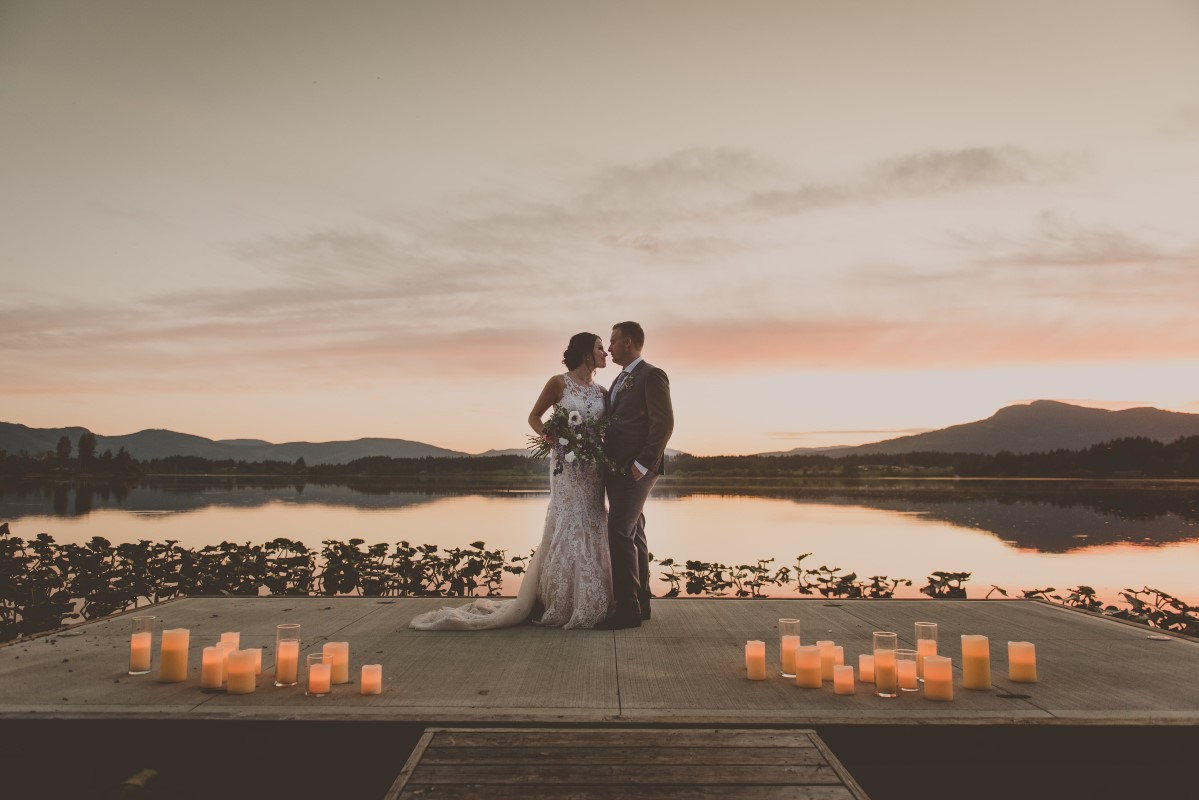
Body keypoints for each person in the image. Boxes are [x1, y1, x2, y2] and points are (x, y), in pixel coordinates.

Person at [409, 332, 615, 630]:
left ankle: (595, 597)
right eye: (599, 348)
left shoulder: (603, 392)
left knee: (594, 522)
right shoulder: (559, 382)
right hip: (565, 468)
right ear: (586, 353)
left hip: (592, 470)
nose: (605, 352)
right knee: (568, 522)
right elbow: (534, 416)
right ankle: (561, 599)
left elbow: (607, 430)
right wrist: (555, 438)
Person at [596, 321, 674, 630]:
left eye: (613, 341)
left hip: (637, 468)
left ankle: (626, 609)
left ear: (627, 343)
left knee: (618, 530)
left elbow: (664, 423)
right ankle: (641, 601)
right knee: (635, 529)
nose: (610, 347)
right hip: (618, 468)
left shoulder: (651, 375)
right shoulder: (619, 380)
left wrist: (643, 463)